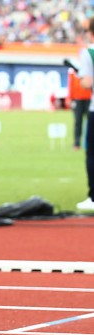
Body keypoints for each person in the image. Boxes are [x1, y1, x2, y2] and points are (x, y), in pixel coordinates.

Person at [76, 17, 94, 212]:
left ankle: (93, 196)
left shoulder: (88, 52)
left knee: (92, 153)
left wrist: (81, 78)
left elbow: (87, 83)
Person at [67, 65, 91, 150]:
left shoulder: (89, 68)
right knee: (78, 122)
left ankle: (90, 143)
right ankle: (77, 143)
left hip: (89, 98)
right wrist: (70, 97)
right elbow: (71, 84)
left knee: (91, 122)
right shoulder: (72, 70)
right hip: (77, 99)